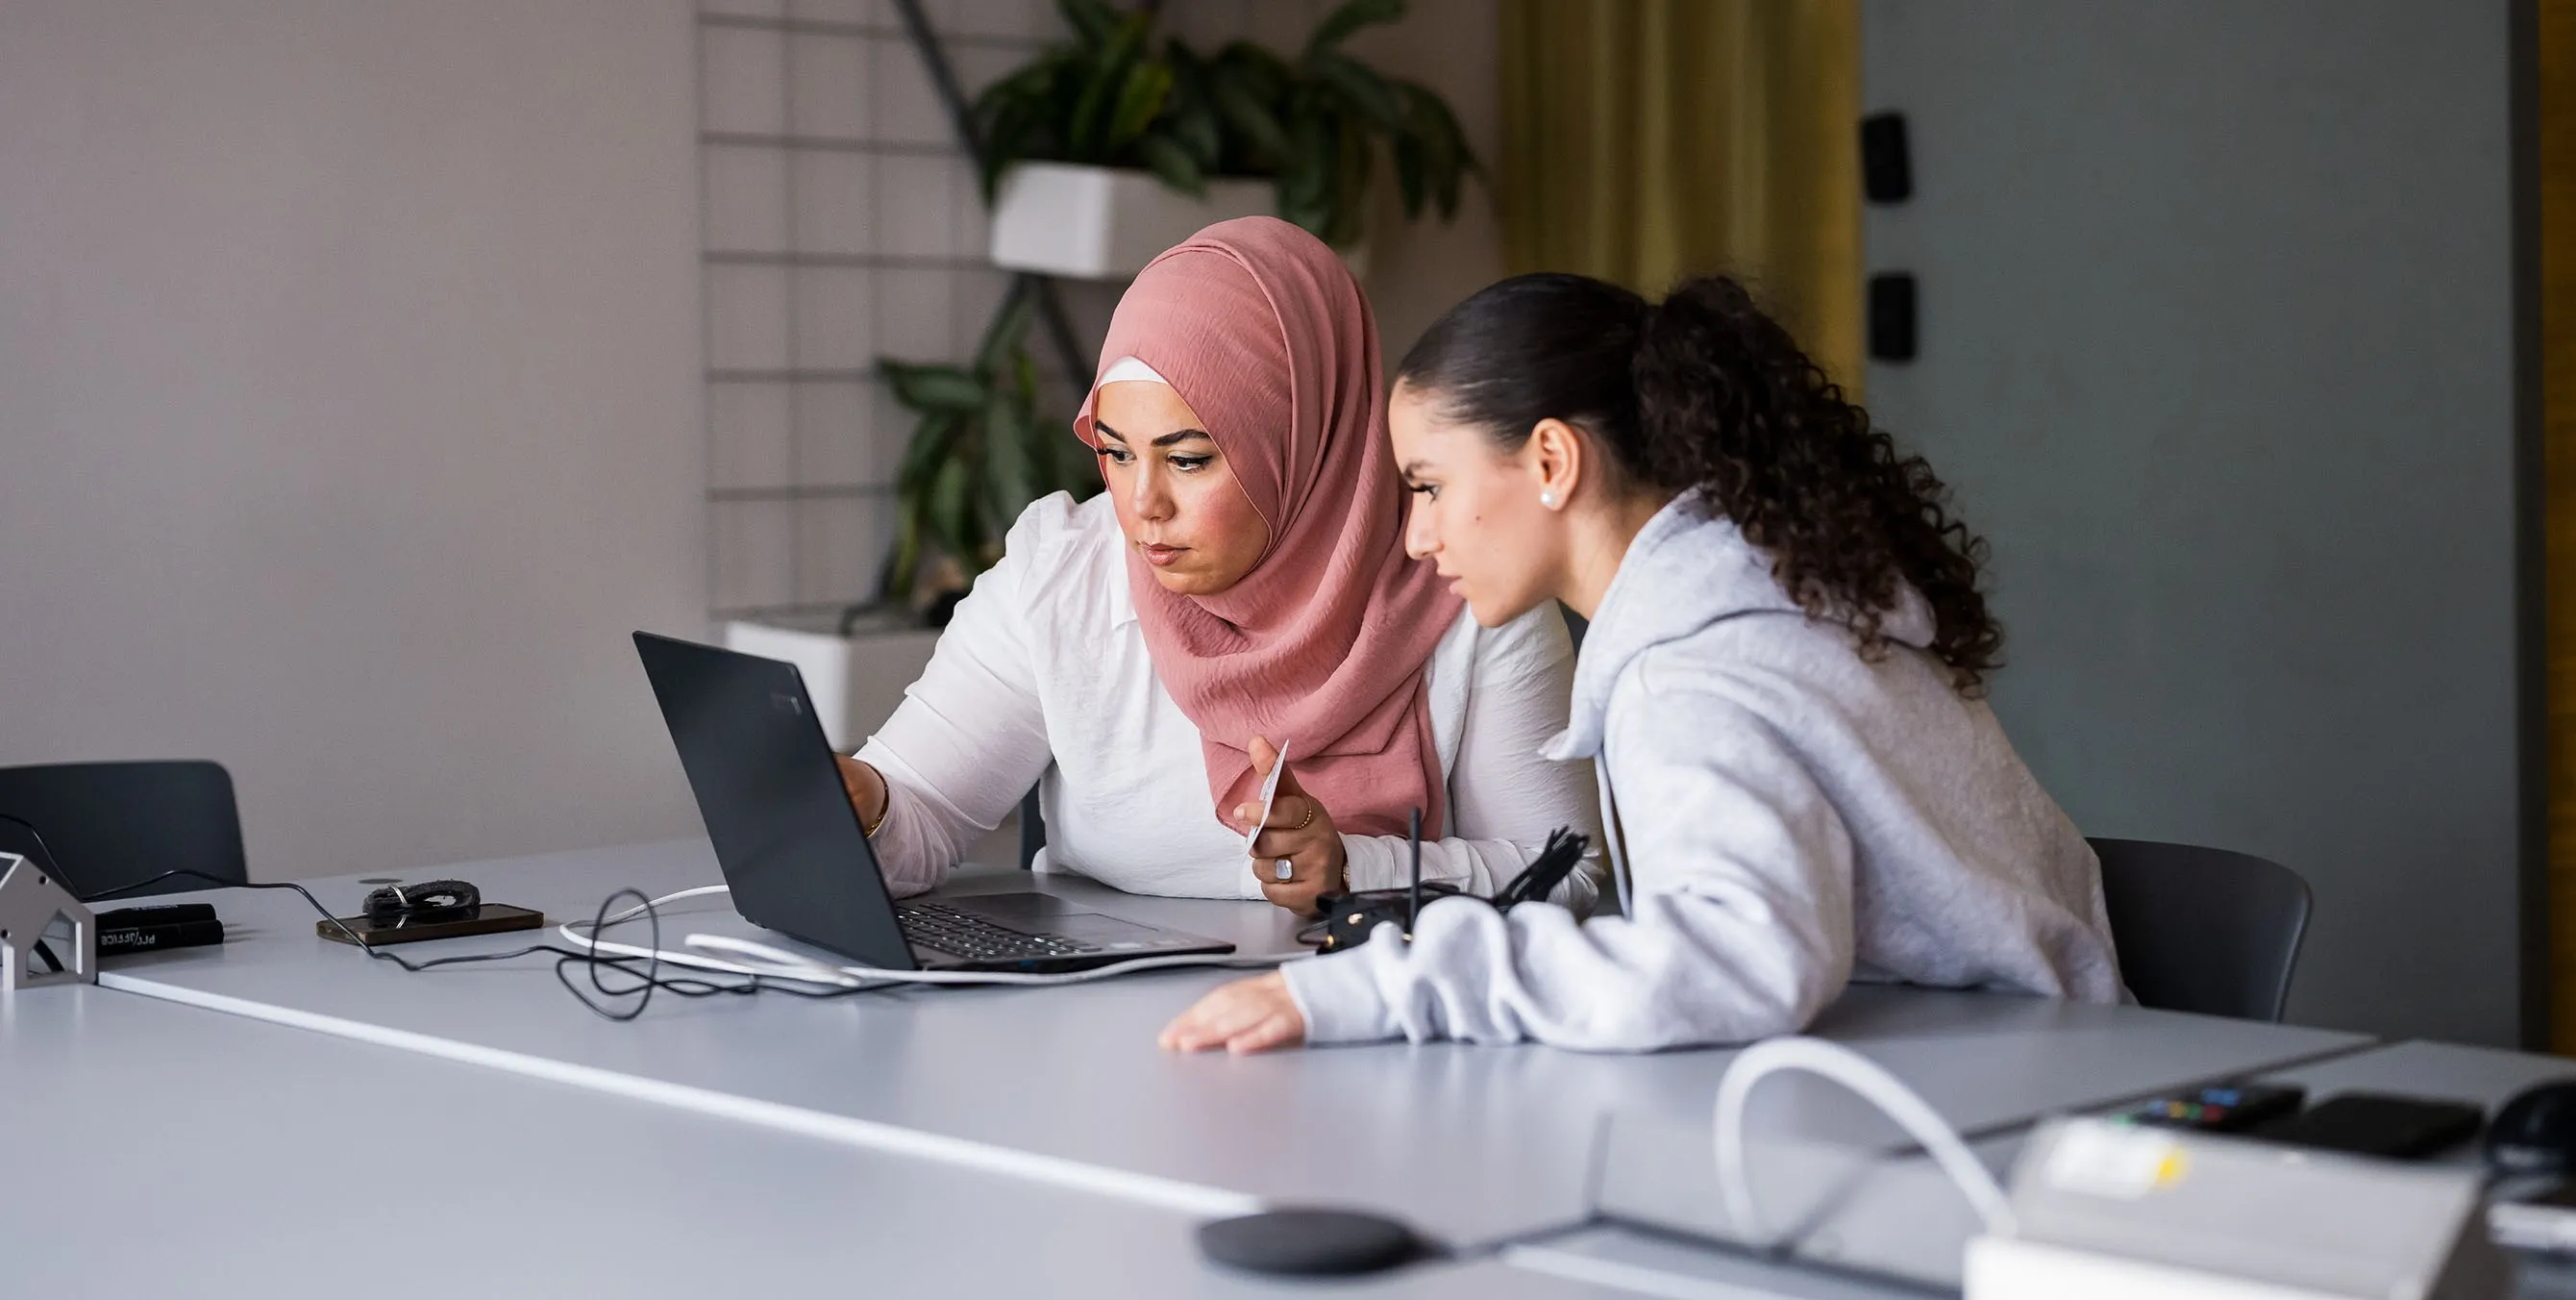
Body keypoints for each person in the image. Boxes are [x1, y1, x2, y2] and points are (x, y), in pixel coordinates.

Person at [1162, 271, 2123, 1054]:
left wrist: (1382, 988)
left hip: (2001, 1104)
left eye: (1427, 486)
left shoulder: (1690, 677)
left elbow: (1736, 964)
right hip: (2021, 1056)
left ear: (1551, 462)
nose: (1412, 536)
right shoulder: (1771, 604)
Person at [836, 219, 1598, 916]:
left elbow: (1569, 869)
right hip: (1094, 1031)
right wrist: (861, 799)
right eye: (1115, 452)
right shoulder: (1064, 572)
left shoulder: (1466, 575)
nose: (1142, 505)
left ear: (1302, 443)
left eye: (1190, 459)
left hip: (1367, 1021)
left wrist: (1357, 869)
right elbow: (919, 818)